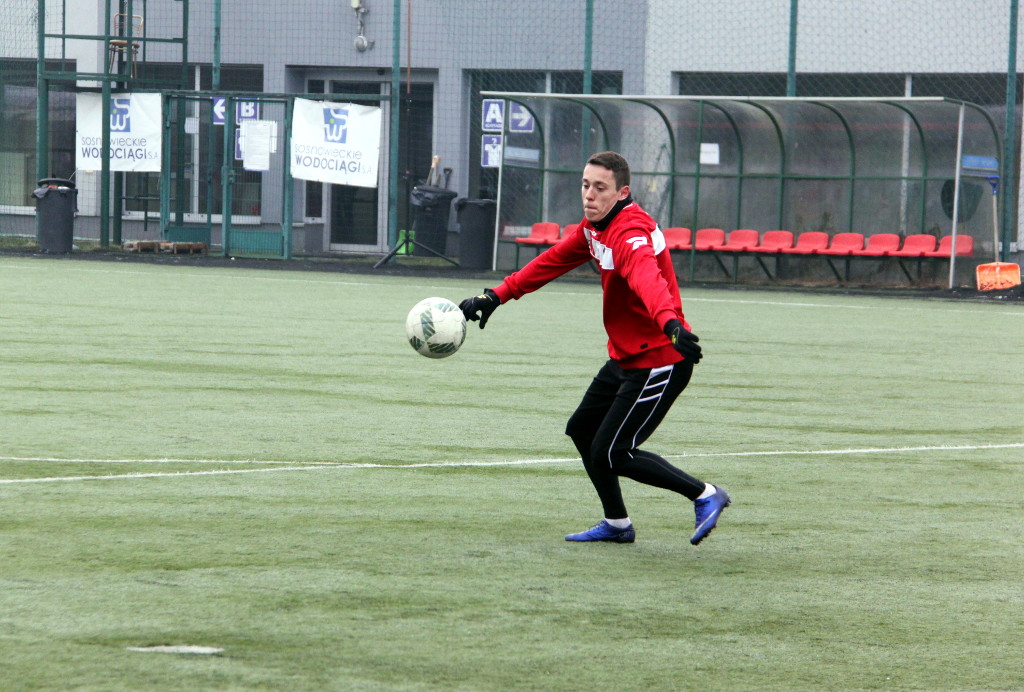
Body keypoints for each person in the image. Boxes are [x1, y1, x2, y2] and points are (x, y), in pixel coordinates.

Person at [459, 151, 730, 545]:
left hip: (660, 358)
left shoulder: (630, 232)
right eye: (585, 185)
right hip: (627, 355)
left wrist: (670, 323)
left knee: (614, 452)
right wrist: (496, 296)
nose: (589, 194)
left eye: (600, 187)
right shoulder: (594, 227)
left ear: (622, 192)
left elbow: (647, 279)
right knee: (582, 430)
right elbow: (551, 261)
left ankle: (705, 494)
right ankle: (617, 524)